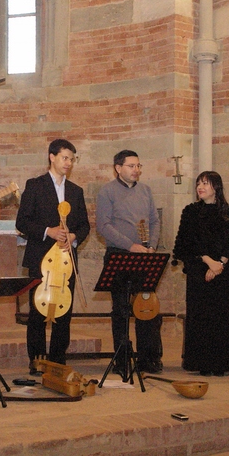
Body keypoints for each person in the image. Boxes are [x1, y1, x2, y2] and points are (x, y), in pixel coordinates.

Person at [17, 139, 90, 371]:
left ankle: (58, 360)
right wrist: (49, 231)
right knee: (38, 311)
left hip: (67, 261)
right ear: (52, 157)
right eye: (65, 158)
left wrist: (73, 236)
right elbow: (23, 221)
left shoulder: (76, 191)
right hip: (40, 258)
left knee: (64, 311)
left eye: (72, 159)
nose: (68, 163)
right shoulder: (35, 185)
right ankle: (37, 360)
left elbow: (85, 226)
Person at [95, 150, 164, 373]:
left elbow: (154, 220)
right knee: (122, 310)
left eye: (138, 166)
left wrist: (151, 246)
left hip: (146, 256)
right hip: (119, 255)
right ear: (118, 168)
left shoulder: (146, 190)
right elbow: (103, 226)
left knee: (147, 306)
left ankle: (148, 358)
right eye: (131, 166)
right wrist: (130, 246)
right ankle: (122, 359)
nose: (136, 170)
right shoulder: (107, 191)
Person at [172, 171, 229, 376]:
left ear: (216, 187)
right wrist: (208, 261)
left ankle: (222, 362)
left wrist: (220, 263)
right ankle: (200, 361)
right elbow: (185, 243)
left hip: (222, 273)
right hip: (198, 272)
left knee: (221, 317)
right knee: (201, 317)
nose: (200, 187)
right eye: (198, 184)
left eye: (205, 183)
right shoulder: (190, 211)